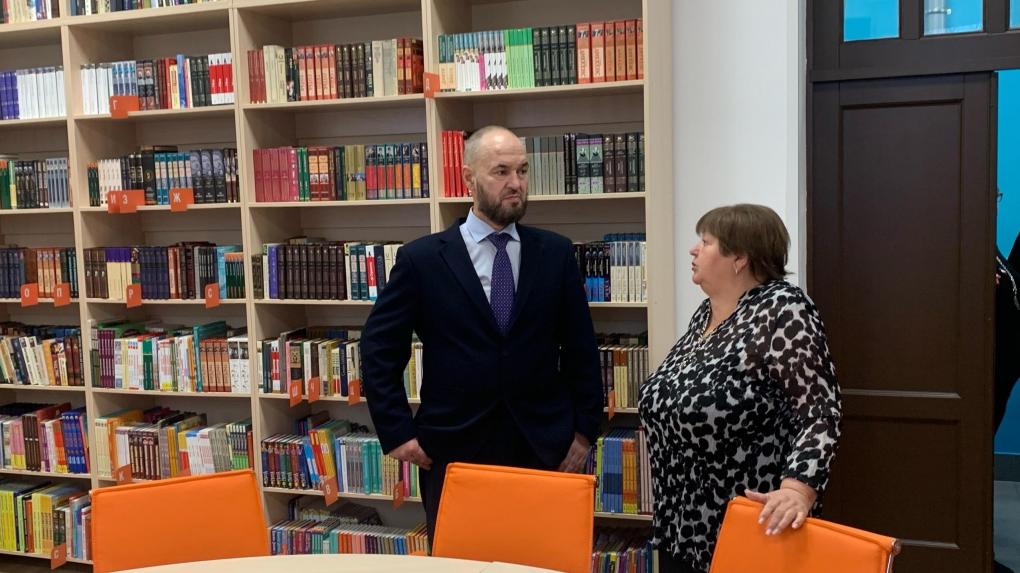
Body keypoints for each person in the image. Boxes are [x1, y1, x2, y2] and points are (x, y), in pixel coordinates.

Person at [360, 125, 603, 545]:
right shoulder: (422, 259)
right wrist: (398, 432)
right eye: (501, 172)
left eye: (522, 171)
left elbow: (581, 347)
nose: (516, 183)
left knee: (539, 560)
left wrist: (584, 432)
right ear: (469, 179)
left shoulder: (556, 253)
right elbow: (379, 347)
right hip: (453, 447)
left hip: (544, 447)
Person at [638, 204, 843, 573]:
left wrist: (798, 489)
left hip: (748, 527)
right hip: (680, 529)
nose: (693, 250)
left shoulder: (783, 309)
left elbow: (820, 411)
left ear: (739, 258)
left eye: (706, 242)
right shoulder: (706, 315)